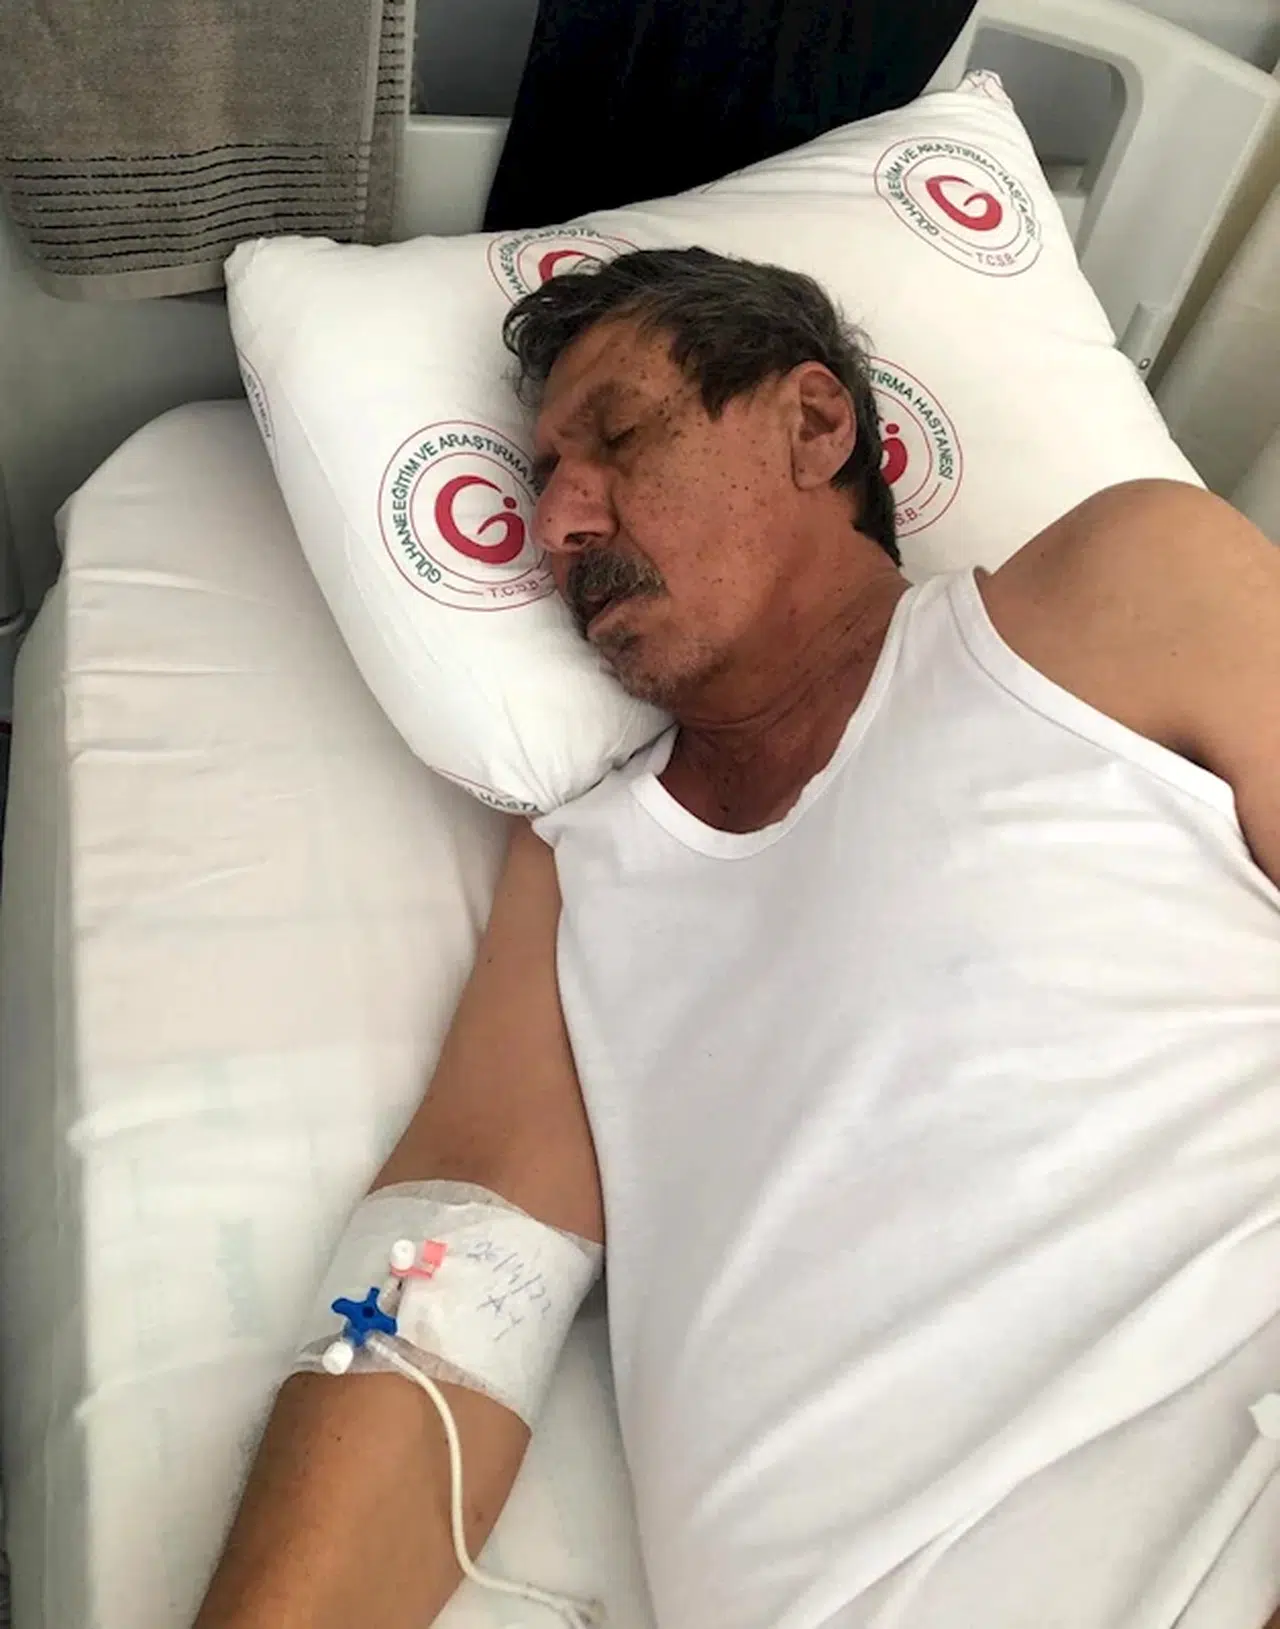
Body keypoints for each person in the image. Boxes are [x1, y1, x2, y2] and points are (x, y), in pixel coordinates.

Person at [195, 249, 1280, 1629]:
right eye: (540, 484)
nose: (559, 523)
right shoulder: (581, 871)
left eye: (619, 437)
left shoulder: (1117, 601)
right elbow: (441, 1295)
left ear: (814, 425)